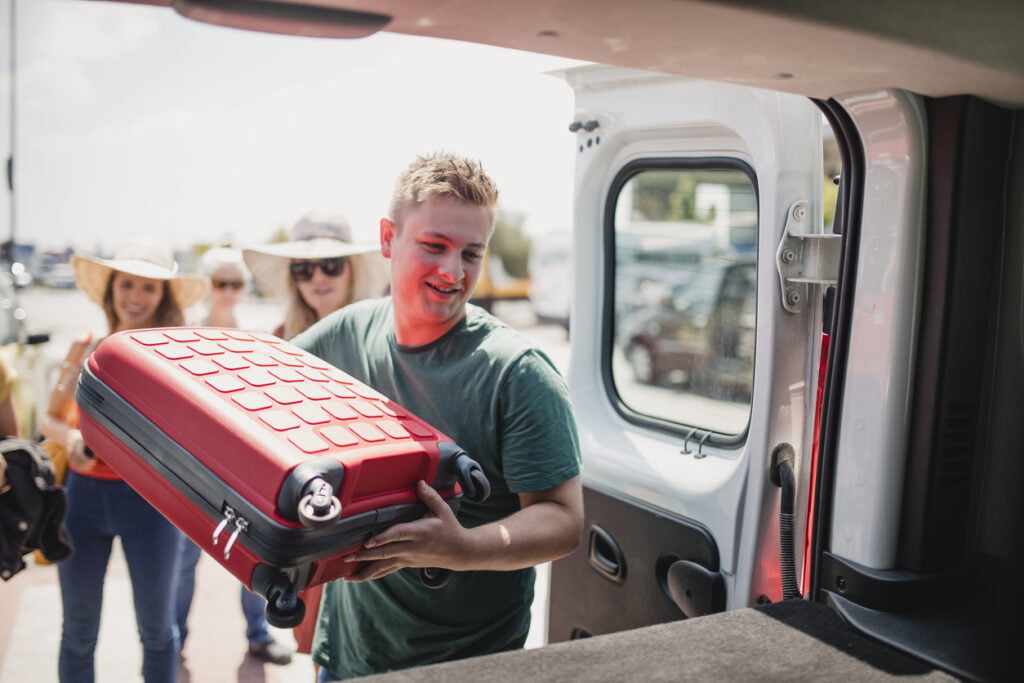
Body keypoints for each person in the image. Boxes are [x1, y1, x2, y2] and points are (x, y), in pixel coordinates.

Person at [291, 152, 584, 679]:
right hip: (348, 658)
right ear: (388, 239)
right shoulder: (345, 333)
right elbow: (260, 390)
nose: (453, 272)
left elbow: (564, 521)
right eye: (434, 246)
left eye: (472, 253)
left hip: (468, 664)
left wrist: (464, 548)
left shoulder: (516, 374)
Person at [42, 243, 206, 683]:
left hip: (151, 504)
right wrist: (72, 437)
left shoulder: (175, 354)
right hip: (81, 500)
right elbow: (49, 417)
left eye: (148, 287)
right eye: (126, 283)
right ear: (111, 289)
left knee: (157, 633)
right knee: (77, 631)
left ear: (163, 295)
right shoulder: (83, 347)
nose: (135, 295)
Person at [173, 246, 294, 665]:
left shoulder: (255, 336)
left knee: (250, 558)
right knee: (183, 561)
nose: (227, 291)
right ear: (205, 286)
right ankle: (176, 640)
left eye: (235, 283)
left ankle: (258, 635)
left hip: (241, 470)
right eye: (218, 282)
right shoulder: (182, 334)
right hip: (193, 465)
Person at [243, 213, 388, 340]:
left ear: (353, 269)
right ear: (293, 279)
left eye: (331, 265)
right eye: (303, 269)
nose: (318, 278)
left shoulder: (380, 335)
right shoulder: (280, 338)